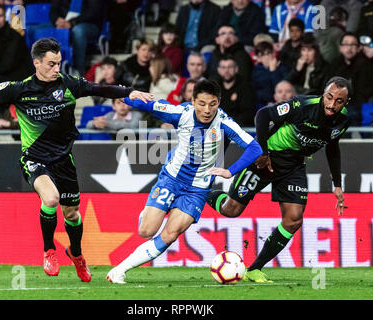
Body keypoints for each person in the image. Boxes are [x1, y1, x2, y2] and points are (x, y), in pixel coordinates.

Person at [0, 37, 152, 282]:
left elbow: (99, 89)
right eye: (51, 64)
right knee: (50, 198)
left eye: (59, 63)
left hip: (63, 160)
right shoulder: (19, 89)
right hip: (34, 158)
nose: (56, 69)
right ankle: (48, 250)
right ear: (37, 63)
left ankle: (76, 254)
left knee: (72, 214)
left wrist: (129, 92)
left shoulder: (68, 85)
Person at [106, 78, 263, 284]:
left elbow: (255, 148)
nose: (207, 110)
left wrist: (230, 171)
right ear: (192, 100)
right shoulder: (181, 113)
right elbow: (147, 103)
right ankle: (148, 213)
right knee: (146, 231)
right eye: (202, 103)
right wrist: (121, 92)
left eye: (213, 104)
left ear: (219, 102)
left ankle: (120, 270)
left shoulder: (224, 122)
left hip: (197, 190)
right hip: (171, 179)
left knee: (170, 234)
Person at [206, 76, 351, 283]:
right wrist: (263, 153)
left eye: (339, 101)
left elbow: (333, 147)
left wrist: (337, 184)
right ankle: (202, 193)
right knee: (231, 210)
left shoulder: (344, 120)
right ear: (323, 94)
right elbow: (263, 114)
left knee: (293, 219)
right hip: (266, 159)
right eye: (329, 97)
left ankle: (254, 269)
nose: (332, 104)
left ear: (347, 102)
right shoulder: (303, 105)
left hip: (293, 165)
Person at [329, 32, 373, 126]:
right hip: (336, 102)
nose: (349, 48)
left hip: (357, 105)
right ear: (340, 48)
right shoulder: (335, 64)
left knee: (348, 114)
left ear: (359, 48)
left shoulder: (366, 66)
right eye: (346, 44)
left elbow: (364, 94)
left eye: (353, 44)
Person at [49, 0, 110, 75]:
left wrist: (72, 23)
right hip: (65, 24)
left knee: (78, 31)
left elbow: (93, 13)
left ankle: (78, 72)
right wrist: (57, 20)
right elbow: (53, 10)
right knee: (38, 31)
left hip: (89, 25)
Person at [216, 55, 256, 126]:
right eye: (223, 67)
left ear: (236, 69)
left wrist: (230, 124)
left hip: (240, 128)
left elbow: (249, 113)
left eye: (230, 67)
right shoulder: (214, 87)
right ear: (218, 70)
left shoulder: (246, 87)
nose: (226, 70)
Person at [252, 40, 289, 107]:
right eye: (263, 55)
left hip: (282, 103)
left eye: (269, 53)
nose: (268, 56)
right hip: (262, 104)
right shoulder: (256, 71)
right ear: (258, 58)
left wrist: (273, 71)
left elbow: (281, 87)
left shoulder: (282, 68)